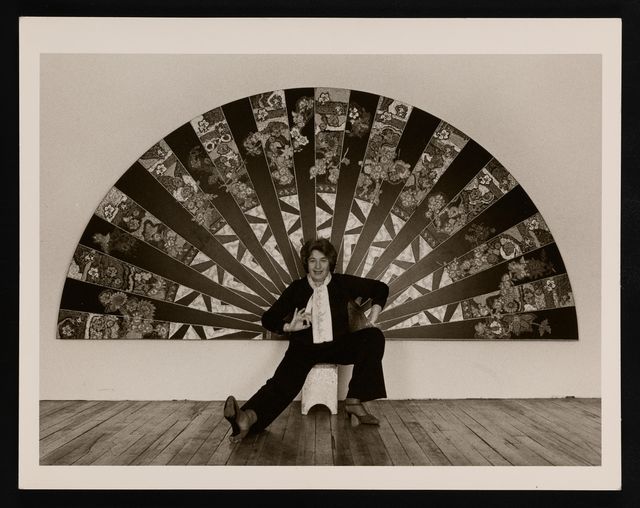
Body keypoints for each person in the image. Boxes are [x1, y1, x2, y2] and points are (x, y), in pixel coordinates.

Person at [224, 238, 389, 443]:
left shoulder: (342, 283)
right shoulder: (296, 289)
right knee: (281, 385)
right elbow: (268, 318)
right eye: (312, 261)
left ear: (330, 263)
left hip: (338, 345)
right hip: (303, 349)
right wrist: (288, 327)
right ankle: (246, 418)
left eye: (323, 261)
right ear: (306, 263)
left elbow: (381, 289)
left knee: (374, 338)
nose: (318, 266)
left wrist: (372, 319)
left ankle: (354, 400)